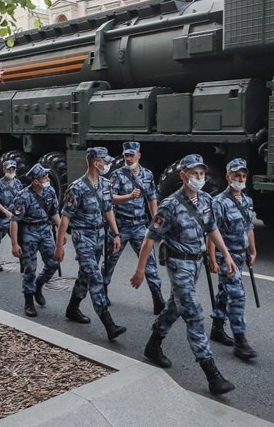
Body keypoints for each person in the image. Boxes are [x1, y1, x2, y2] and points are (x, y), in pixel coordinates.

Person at [130, 154, 238, 396]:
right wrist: (139, 271)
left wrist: (225, 256)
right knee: (194, 314)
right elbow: (149, 239)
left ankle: (153, 345)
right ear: (183, 176)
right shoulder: (169, 206)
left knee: (175, 307)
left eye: (201, 174)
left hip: (196, 263)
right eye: (194, 174)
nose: (198, 178)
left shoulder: (206, 200)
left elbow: (212, 229)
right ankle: (212, 374)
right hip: (178, 264)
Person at [55, 147, 126, 341]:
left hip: (99, 235)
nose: (108, 164)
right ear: (97, 163)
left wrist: (116, 233)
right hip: (83, 237)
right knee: (95, 278)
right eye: (106, 161)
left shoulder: (105, 184)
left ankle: (72, 308)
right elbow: (65, 218)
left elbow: (108, 210)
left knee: (85, 275)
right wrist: (59, 245)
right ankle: (109, 324)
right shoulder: (77, 188)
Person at [104, 141, 165, 315]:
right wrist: (128, 197)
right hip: (121, 224)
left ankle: (157, 298)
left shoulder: (147, 175)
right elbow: (110, 199)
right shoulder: (117, 175)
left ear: (139, 155)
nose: (129, 159)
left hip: (140, 225)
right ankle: (103, 290)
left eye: (132, 155)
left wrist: (155, 220)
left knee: (149, 262)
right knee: (110, 261)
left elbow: (152, 198)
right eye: (126, 156)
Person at [208, 157, 258, 361]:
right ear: (228, 176)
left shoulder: (247, 201)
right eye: (236, 175)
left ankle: (217, 327)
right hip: (225, 256)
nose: (240, 178)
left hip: (240, 255)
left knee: (225, 291)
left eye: (243, 175)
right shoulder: (219, 202)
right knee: (237, 295)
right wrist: (212, 257)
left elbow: (249, 227)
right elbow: (212, 231)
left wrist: (253, 250)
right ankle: (240, 341)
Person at [10, 163, 62, 317]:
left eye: (47, 176)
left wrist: (61, 231)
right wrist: (14, 244)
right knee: (30, 269)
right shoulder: (23, 196)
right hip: (29, 233)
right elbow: (14, 220)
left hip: (45, 230)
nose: (47, 179)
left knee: (54, 262)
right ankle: (29, 300)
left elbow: (53, 211)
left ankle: (39, 285)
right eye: (43, 177)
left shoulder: (50, 191)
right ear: (35, 181)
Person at [0, 160, 23, 272]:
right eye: (8, 169)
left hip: (15, 218)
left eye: (13, 169)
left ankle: (23, 262)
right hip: (1, 218)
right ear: (4, 170)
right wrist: (5, 211)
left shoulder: (18, 183)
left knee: (20, 240)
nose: (11, 171)